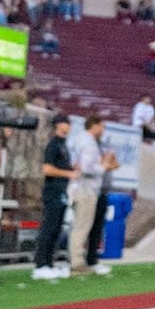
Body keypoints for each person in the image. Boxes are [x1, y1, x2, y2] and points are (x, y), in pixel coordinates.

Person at [32, 116, 75, 277]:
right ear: (58, 125)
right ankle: (40, 264)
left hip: (62, 191)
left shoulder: (64, 145)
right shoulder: (53, 144)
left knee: (57, 228)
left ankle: (49, 262)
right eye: (66, 123)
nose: (69, 126)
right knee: (49, 227)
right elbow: (47, 169)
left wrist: (72, 169)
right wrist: (69, 173)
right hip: (53, 191)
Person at [66, 113, 107, 272]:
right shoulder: (88, 143)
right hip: (86, 188)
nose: (103, 130)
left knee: (79, 225)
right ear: (95, 125)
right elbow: (87, 168)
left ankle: (76, 258)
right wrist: (103, 167)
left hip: (78, 187)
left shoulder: (77, 139)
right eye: (101, 126)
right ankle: (76, 261)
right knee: (82, 225)